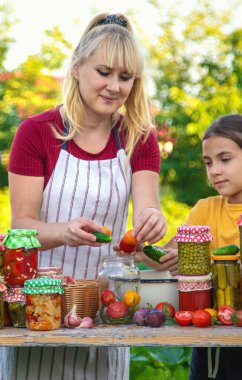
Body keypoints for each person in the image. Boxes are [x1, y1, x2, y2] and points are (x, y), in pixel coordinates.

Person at [6, 13, 166, 380]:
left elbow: (147, 209)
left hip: (109, 313)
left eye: (125, 77)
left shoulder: (139, 138)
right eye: (104, 72)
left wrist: (152, 223)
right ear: (77, 68)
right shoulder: (35, 133)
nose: (114, 86)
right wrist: (64, 231)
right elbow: (22, 227)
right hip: (42, 312)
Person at [156, 114, 242, 379]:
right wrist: (141, 247)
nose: (214, 170)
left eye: (225, 159)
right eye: (208, 163)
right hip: (206, 340)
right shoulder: (205, 209)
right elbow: (163, 256)